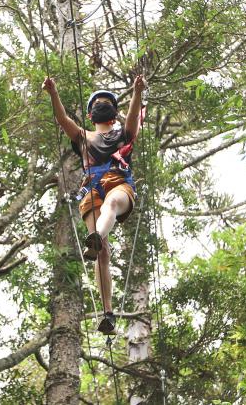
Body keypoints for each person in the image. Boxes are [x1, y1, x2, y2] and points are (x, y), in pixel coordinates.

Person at [42, 74, 146, 334]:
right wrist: (53, 93)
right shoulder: (83, 136)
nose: (102, 103)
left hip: (119, 183)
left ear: (113, 114)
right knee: (102, 255)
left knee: (112, 204)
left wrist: (137, 92)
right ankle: (107, 313)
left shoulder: (124, 134)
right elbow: (63, 120)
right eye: (98, 102)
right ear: (91, 115)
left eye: (106, 102)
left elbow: (133, 117)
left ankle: (97, 235)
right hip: (92, 191)